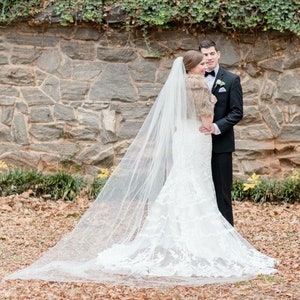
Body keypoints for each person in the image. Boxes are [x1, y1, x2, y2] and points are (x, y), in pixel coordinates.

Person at [4, 51, 276, 287]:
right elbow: (205, 117)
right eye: (201, 61)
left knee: (180, 178)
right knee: (198, 182)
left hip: (181, 137)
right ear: (194, 66)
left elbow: (172, 120)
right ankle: (198, 238)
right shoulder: (199, 87)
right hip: (198, 137)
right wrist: (211, 115)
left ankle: (169, 234)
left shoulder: (176, 86)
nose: (206, 62)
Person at [199, 39, 243, 226]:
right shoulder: (192, 77)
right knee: (198, 190)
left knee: (222, 192)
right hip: (197, 144)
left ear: (218, 54)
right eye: (204, 55)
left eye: (211, 54)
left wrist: (215, 127)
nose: (208, 58)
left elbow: (237, 112)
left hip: (221, 145)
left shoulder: (232, 80)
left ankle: (227, 236)